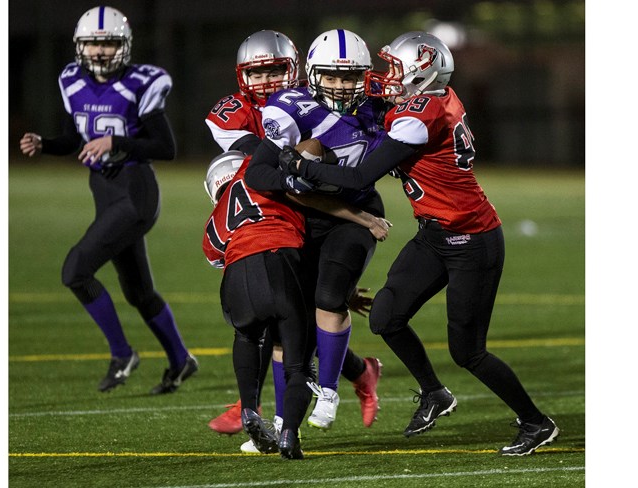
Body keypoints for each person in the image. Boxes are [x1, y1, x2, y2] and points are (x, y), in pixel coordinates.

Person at [278, 31, 560, 456]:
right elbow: (379, 98)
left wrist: (301, 165)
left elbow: (359, 178)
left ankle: (536, 422)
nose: (385, 76)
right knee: (386, 316)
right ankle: (435, 393)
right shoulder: (438, 97)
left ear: (421, 70)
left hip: (472, 239)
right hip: (435, 232)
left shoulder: (418, 116)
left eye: (395, 68)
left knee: (468, 351)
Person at [205, 30, 383, 440]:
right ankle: (339, 382)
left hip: (305, 210)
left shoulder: (320, 100)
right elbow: (267, 170)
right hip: (269, 210)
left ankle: (279, 410)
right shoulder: (236, 112)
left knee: (302, 310)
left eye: (275, 69)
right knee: (285, 311)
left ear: (297, 68)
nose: (267, 79)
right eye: (259, 71)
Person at [18, 6, 198, 394]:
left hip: (135, 193)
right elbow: (73, 138)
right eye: (93, 44)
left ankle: (122, 354)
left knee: (75, 271)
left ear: (124, 45)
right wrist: (46, 144)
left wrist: (116, 141)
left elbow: (165, 147)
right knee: (138, 292)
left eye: (109, 43)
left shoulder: (140, 83)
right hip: (105, 192)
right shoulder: (71, 80)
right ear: (80, 46)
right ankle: (181, 360)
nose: (100, 51)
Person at [201, 150, 389, 459]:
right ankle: (288, 431)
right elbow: (303, 198)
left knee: (253, 336)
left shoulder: (213, 222)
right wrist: (364, 220)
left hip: (236, 283)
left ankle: (250, 410)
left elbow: (216, 254)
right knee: (299, 362)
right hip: (281, 263)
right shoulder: (261, 175)